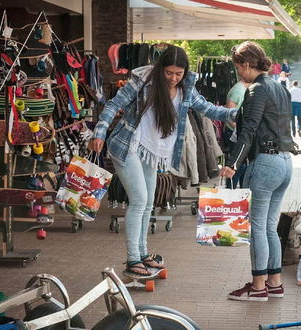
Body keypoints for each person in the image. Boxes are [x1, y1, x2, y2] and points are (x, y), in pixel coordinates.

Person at [89, 46, 236, 276]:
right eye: (169, 73)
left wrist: (235, 114)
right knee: (139, 200)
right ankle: (132, 258)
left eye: (178, 74)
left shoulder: (186, 87)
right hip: (128, 144)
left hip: (151, 149)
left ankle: (143, 254)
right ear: (160, 69)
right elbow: (114, 104)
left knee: (148, 203)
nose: (173, 78)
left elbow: (208, 109)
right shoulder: (143, 80)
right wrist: (99, 131)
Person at [220, 41, 296, 302]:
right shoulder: (279, 87)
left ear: (247, 64)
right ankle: (274, 283)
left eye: (239, 68)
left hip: (265, 163)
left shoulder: (255, 90)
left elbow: (248, 131)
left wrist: (233, 163)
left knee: (257, 228)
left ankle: (257, 286)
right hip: (286, 162)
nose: (238, 74)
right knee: (270, 227)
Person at [223, 78, 251, 188]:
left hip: (238, 133)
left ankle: (239, 191)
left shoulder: (242, 89)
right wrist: (241, 129)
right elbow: (230, 112)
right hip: (234, 133)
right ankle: (231, 191)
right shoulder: (238, 90)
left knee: (242, 165)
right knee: (238, 165)